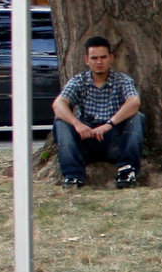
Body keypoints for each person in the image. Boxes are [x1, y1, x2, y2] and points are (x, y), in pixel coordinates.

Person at [51, 36, 144, 188]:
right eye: (94, 58)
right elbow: (58, 104)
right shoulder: (79, 81)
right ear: (87, 60)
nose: (99, 62)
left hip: (113, 139)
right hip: (85, 139)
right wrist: (77, 124)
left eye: (103, 57)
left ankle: (127, 171)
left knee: (137, 117)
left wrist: (108, 124)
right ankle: (73, 176)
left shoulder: (122, 80)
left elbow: (134, 102)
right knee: (60, 121)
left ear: (111, 58)